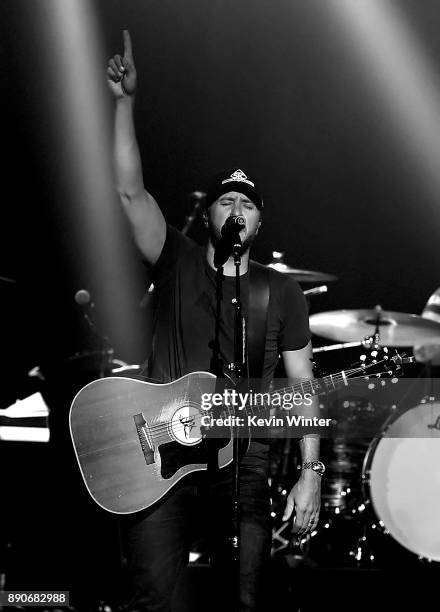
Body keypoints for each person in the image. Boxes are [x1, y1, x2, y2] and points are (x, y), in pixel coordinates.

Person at [107, 30, 322, 612]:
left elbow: (302, 390)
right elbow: (129, 195)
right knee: (155, 598)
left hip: (243, 458)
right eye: (226, 200)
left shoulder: (279, 293)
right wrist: (126, 103)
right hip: (162, 451)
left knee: (242, 600)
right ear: (208, 215)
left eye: (248, 203)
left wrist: (310, 471)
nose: (237, 209)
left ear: (259, 224)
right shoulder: (175, 257)